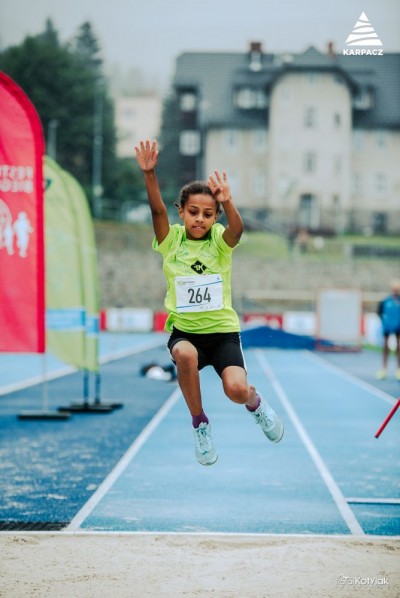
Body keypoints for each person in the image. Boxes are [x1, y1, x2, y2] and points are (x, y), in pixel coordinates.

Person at [135, 139, 283, 466]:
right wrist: (150, 174)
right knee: (185, 354)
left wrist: (228, 202)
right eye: (193, 213)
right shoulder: (170, 241)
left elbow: (238, 230)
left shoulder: (219, 242)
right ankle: (200, 424)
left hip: (222, 334)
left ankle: (255, 402)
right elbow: (157, 210)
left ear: (215, 217)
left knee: (236, 391)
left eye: (207, 214)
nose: (199, 219)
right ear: (181, 213)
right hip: (186, 332)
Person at [375, 279, 400, 381]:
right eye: (394, 289)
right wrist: (384, 321)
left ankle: (398, 369)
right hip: (387, 326)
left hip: (398, 326)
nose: (396, 290)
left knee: (399, 347)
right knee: (385, 347)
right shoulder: (385, 301)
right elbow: (379, 312)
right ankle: (383, 369)